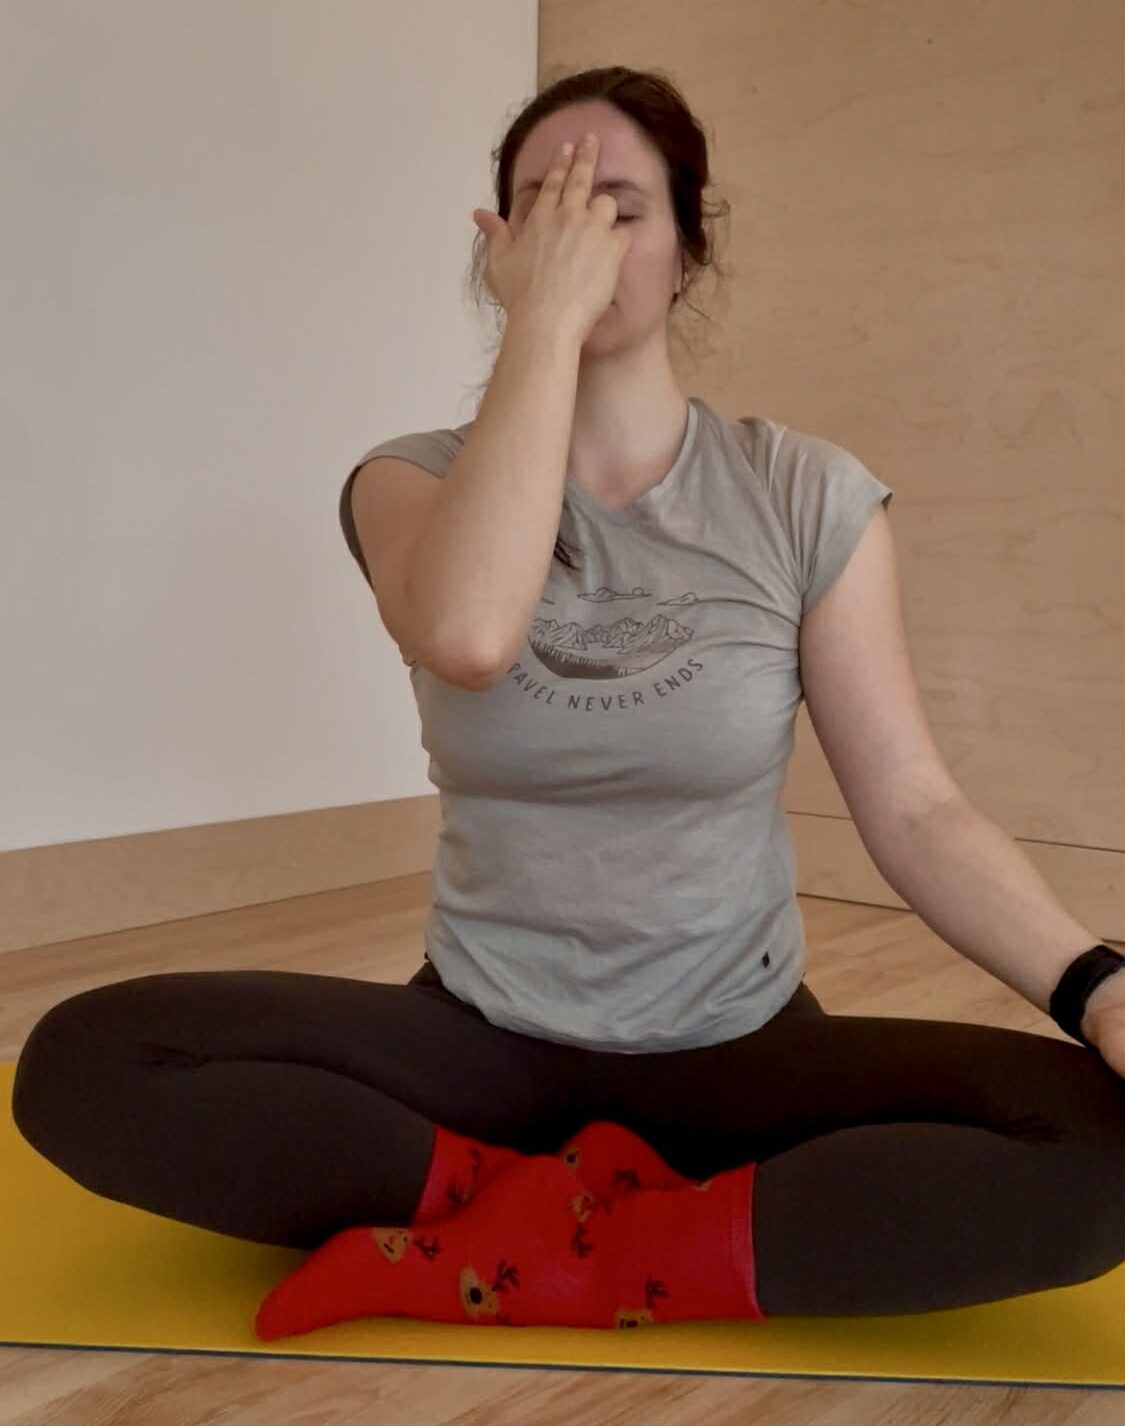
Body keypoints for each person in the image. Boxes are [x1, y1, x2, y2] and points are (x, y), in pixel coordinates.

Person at [13, 67, 1125, 1340]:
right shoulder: (404, 482)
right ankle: (596, 1218)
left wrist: (1097, 982)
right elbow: (472, 632)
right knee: (87, 1061)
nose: (585, 238)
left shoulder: (804, 495)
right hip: (480, 1045)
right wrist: (542, 329)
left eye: (622, 209)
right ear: (500, 249)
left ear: (691, 247)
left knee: (1097, 1139)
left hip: (740, 1047)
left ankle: (561, 1249)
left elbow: (917, 808)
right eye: (550, 208)